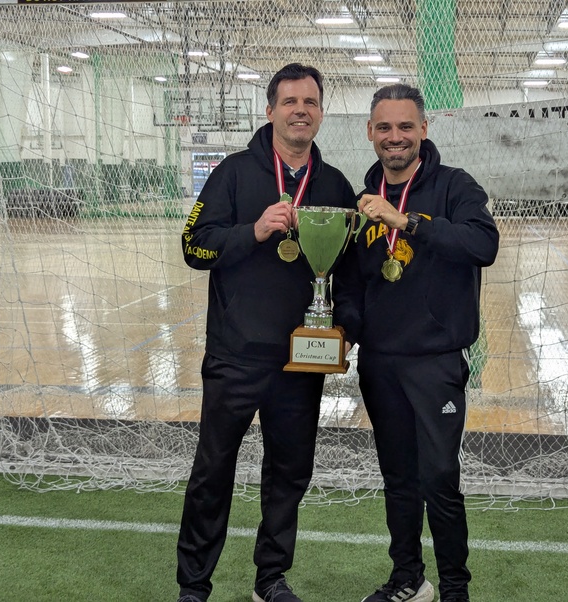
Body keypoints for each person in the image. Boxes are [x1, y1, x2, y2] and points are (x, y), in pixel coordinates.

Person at [176, 64, 356, 602]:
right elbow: (194, 246)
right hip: (236, 355)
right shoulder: (233, 173)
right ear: (270, 110)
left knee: (289, 474)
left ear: (320, 113)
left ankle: (270, 579)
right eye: (289, 101)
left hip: (302, 360)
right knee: (213, 472)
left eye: (310, 102)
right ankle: (194, 585)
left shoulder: (334, 185)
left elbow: (344, 270)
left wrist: (344, 330)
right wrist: (251, 232)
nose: (300, 110)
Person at [333, 84, 499, 602]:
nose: (395, 137)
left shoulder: (455, 186)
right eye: (384, 127)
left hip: (435, 362)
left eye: (405, 126)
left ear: (424, 129)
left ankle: (454, 588)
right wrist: (340, 332)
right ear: (370, 132)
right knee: (398, 478)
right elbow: (354, 282)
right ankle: (408, 578)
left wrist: (406, 221)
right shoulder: (359, 202)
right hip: (379, 363)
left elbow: (482, 243)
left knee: (439, 478)